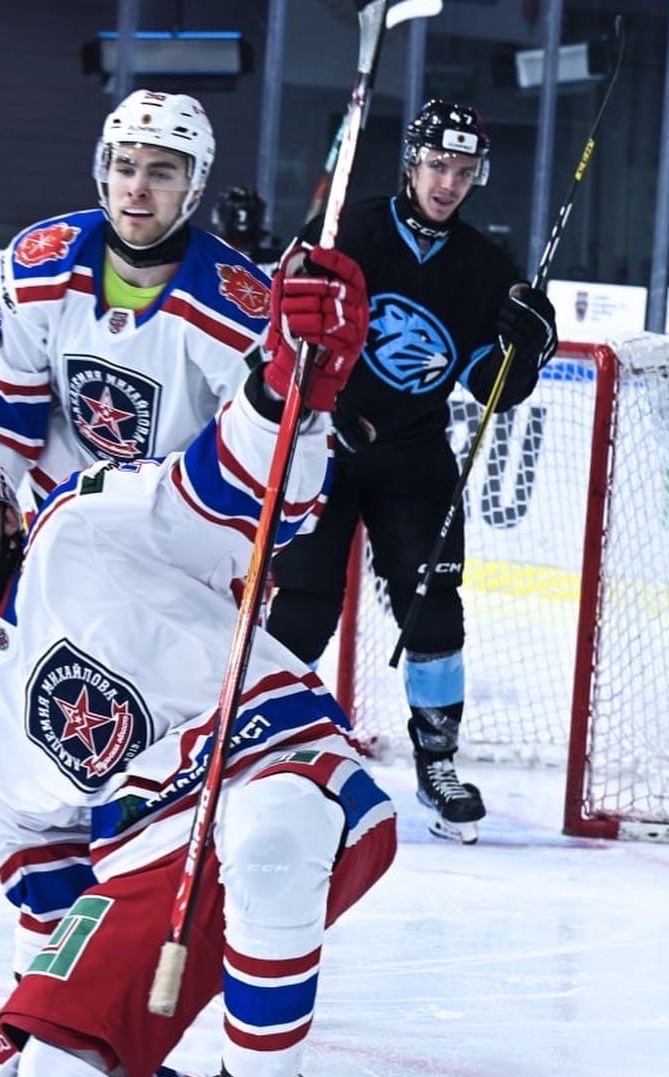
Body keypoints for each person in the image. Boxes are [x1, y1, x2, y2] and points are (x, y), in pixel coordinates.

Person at [0, 246, 398, 1077]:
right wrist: (32, 1015)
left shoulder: (80, 525)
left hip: (280, 774)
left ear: (3, 510)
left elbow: (227, 494)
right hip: (155, 872)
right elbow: (55, 900)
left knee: (271, 829)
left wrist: (283, 386)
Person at [265, 100, 559, 845]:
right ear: (412, 164)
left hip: (414, 460)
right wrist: (323, 402)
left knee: (433, 613)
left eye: (463, 171)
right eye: (437, 166)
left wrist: (526, 349)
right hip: (325, 447)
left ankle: (437, 763)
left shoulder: (486, 269)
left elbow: (492, 388)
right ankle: (258, 743)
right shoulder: (349, 230)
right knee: (303, 610)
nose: (447, 184)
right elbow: (283, 322)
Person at [0, 89, 272, 506]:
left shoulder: (239, 309)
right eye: (124, 167)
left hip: (177, 525)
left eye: (162, 174)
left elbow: (258, 464)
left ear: (194, 188)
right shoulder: (38, 263)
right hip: (57, 511)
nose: (137, 188)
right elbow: (0, 421)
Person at [210, 185, 283, 264]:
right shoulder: (209, 255)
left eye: (250, 212)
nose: (242, 218)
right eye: (234, 213)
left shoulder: (276, 259)